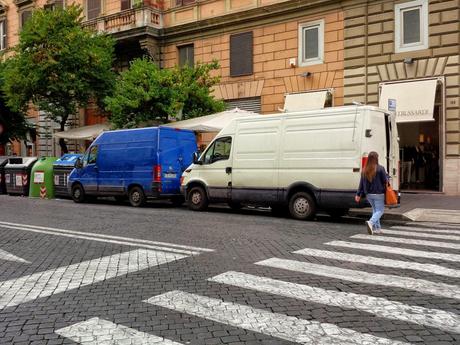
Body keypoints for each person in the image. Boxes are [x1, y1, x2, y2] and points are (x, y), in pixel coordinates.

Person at [355, 151, 388, 235]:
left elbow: (361, 183)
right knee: (380, 210)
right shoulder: (380, 168)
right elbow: (385, 181)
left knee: (375, 210)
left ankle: (377, 229)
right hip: (379, 193)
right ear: (376, 158)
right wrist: (387, 176)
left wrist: (358, 194)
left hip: (368, 194)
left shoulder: (364, 169)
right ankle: (371, 222)